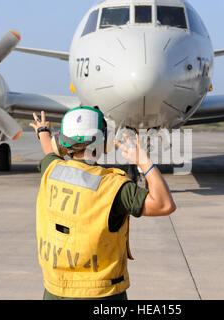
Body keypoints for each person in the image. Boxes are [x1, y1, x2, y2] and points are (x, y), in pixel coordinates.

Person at [30, 107, 176, 300]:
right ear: (104, 141)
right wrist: (144, 161)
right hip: (100, 294)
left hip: (55, 290)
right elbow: (164, 205)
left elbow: (49, 151)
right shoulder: (114, 187)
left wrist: (43, 131)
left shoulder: (52, 170)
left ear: (63, 142)